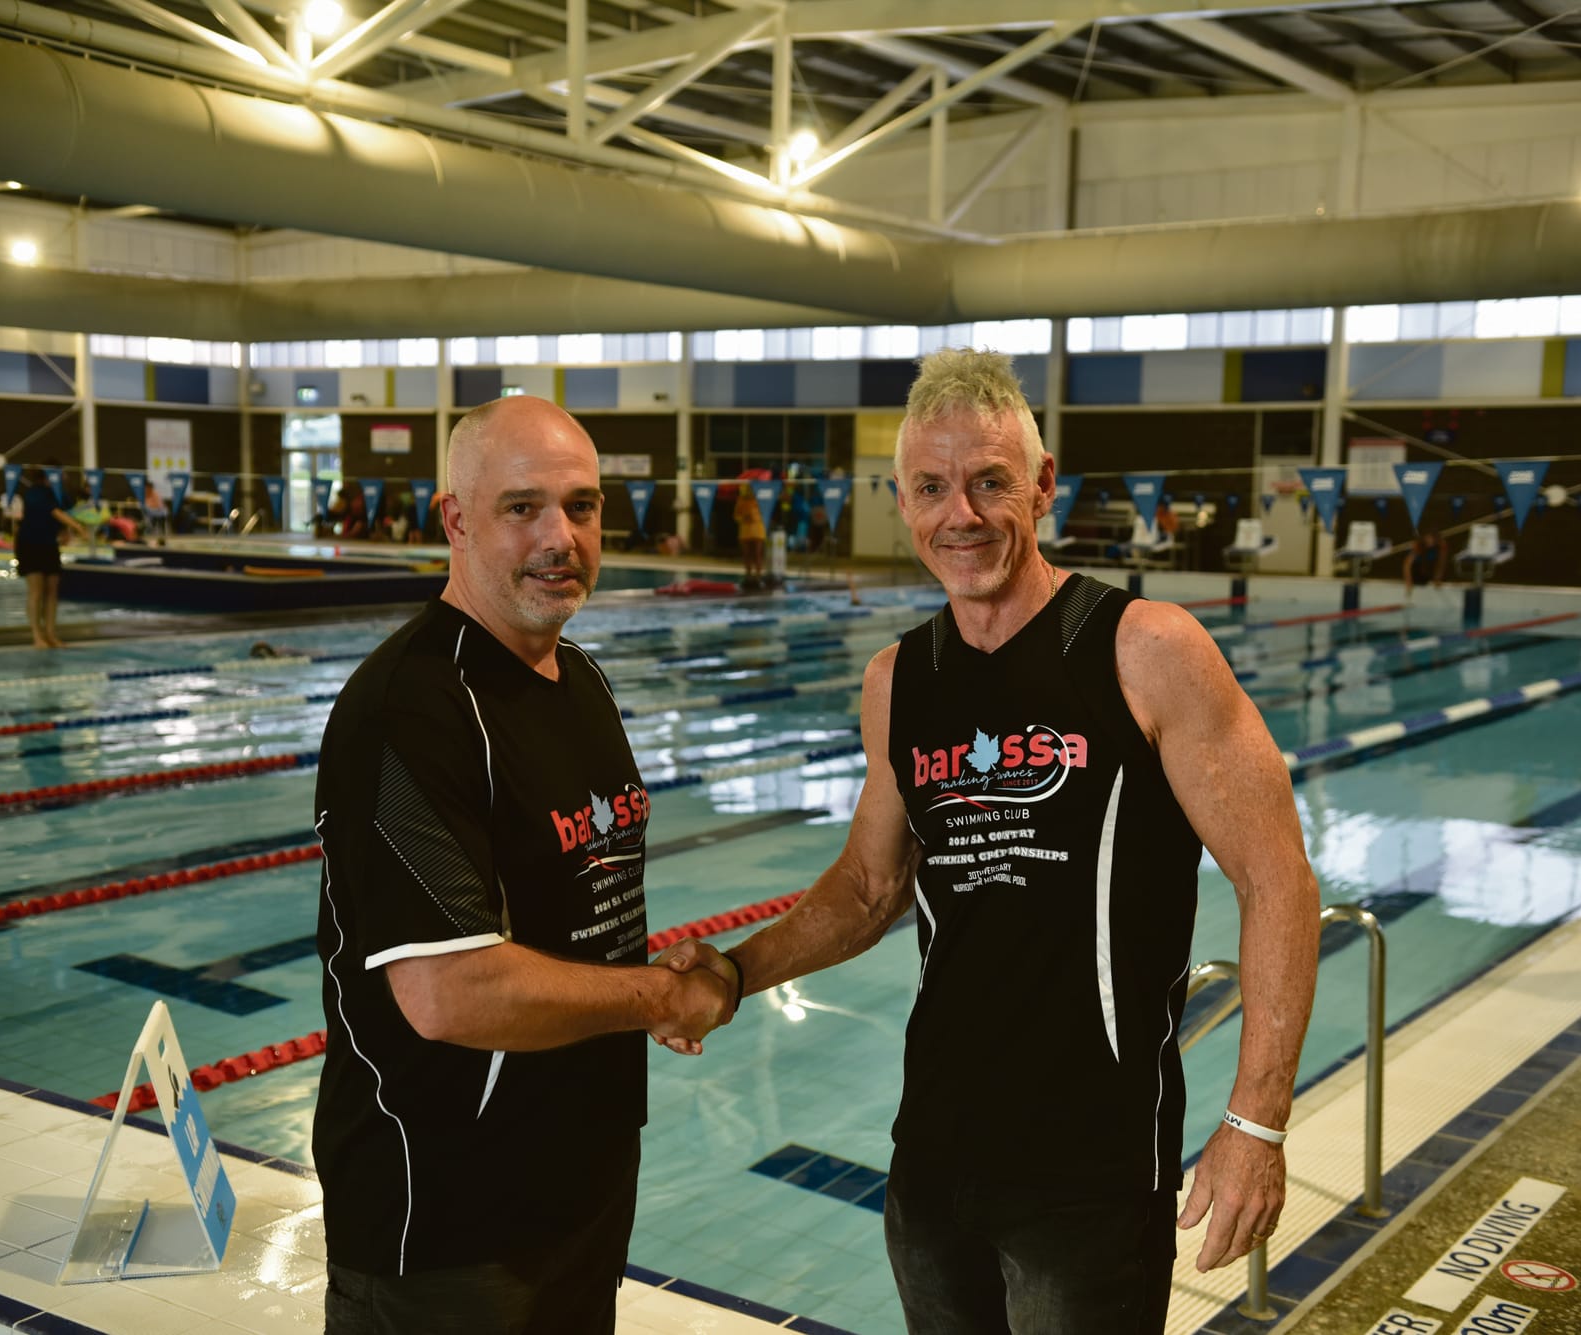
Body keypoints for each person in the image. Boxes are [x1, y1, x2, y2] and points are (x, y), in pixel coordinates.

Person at [658, 349, 1322, 1334]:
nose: (957, 515)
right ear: (902, 497)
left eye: (988, 483)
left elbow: (1277, 884)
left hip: (1089, 1169)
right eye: (930, 487)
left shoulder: (1144, 650)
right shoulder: (901, 680)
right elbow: (870, 890)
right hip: (932, 1155)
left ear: (1042, 486)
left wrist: (1253, 1123)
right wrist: (726, 973)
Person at [311, 395, 732, 1335]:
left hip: (578, 1194)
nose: (561, 536)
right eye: (523, 508)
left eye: (582, 506)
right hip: (452, 1231)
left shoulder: (578, 677)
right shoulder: (407, 714)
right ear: (455, 517)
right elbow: (449, 990)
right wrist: (658, 999)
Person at [14, 465, 89, 649]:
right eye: (61, 472)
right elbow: (55, 512)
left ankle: (51, 634)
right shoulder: (35, 493)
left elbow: (68, 509)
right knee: (36, 591)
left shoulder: (58, 493)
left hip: (49, 545)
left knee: (52, 590)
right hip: (30, 544)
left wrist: (65, 531)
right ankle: (37, 636)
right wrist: (78, 528)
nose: (65, 476)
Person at [733, 480, 767, 588]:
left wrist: (754, 517)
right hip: (745, 530)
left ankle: (758, 575)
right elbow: (736, 516)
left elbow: (766, 513)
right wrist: (743, 518)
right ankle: (748, 574)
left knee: (757, 553)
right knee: (747, 554)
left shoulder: (761, 500)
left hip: (758, 529)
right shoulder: (741, 500)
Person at [1403, 529, 1447, 594]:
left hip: (1429, 566)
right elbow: (1407, 565)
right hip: (1416, 568)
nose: (1430, 541)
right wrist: (1409, 583)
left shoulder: (1441, 546)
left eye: (1433, 540)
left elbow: (1441, 564)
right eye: (1428, 539)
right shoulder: (1418, 545)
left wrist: (1437, 578)